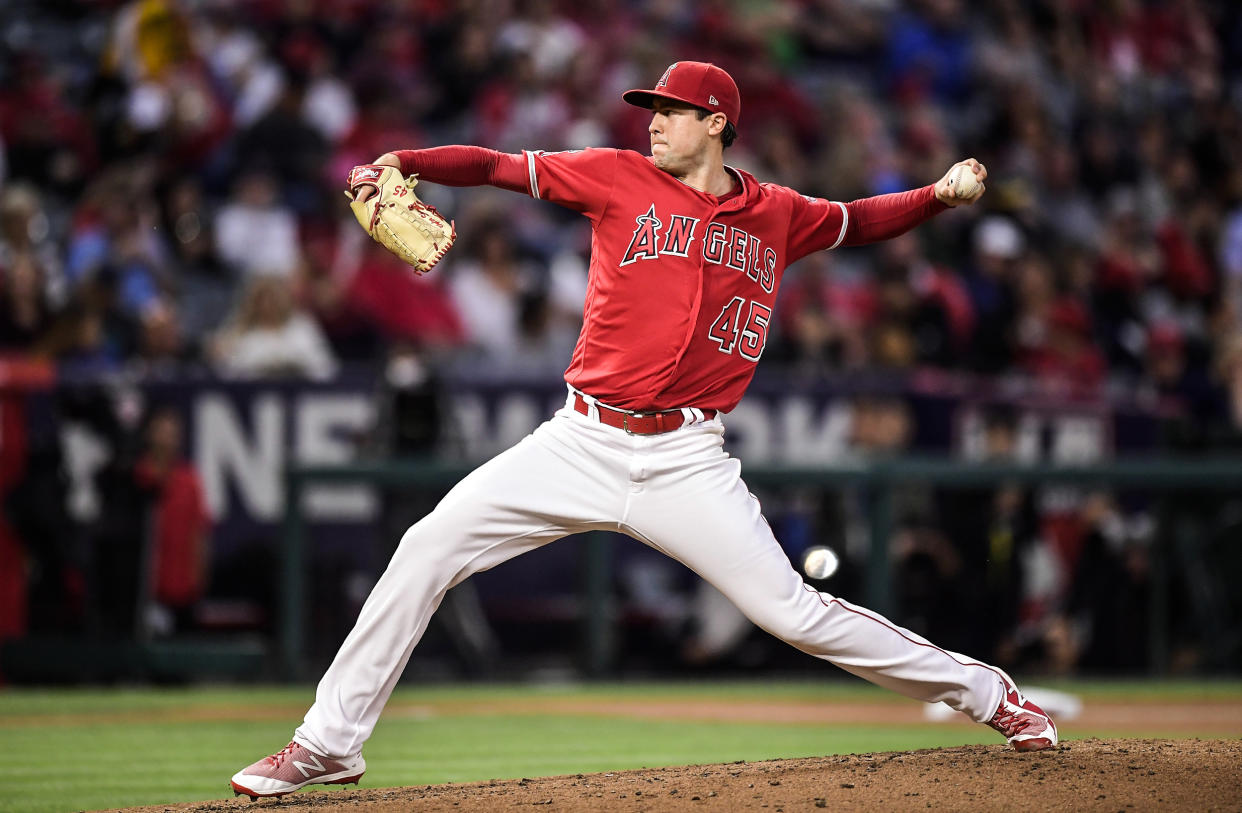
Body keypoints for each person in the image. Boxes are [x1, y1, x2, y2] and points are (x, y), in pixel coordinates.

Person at [230, 61, 1056, 799]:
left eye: (670, 109)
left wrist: (936, 197)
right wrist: (407, 162)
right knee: (428, 545)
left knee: (793, 611)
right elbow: (492, 165)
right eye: (650, 108)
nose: (652, 121)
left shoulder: (778, 213)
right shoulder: (614, 176)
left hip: (686, 458)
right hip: (579, 440)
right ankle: (327, 744)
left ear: (717, 123)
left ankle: (991, 694)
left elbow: (856, 219)